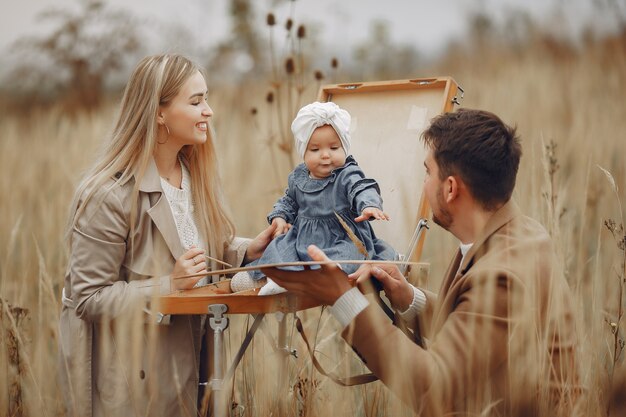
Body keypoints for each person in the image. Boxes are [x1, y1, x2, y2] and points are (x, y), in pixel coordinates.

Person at [263, 109, 581, 416]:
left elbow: (434, 387)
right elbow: (476, 332)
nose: (423, 184)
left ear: (452, 188)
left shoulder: (504, 273)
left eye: (427, 172)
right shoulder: (513, 233)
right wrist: (408, 298)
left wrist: (342, 300)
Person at [57, 54, 275, 417]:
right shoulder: (106, 195)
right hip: (136, 384)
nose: (209, 111)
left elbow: (204, 248)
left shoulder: (195, 174)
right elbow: (87, 298)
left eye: (206, 98)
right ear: (158, 112)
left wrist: (247, 250)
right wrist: (168, 285)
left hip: (201, 368)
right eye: (196, 101)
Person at [230, 101, 396, 295]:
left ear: (344, 148)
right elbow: (288, 201)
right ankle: (273, 277)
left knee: (348, 256)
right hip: (303, 239)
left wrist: (368, 205)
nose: (325, 155)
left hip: (341, 237)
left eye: (334, 148)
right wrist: (280, 218)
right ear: (304, 152)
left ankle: (315, 277)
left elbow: (361, 187)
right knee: (279, 248)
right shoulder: (299, 177)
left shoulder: (346, 174)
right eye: (315, 150)